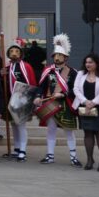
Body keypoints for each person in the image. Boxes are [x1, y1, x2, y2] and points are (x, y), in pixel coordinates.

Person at [34, 34, 81, 166]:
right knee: (51, 129)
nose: (57, 57)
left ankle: (73, 157)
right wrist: (38, 97)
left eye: (60, 55)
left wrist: (64, 94)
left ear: (66, 57)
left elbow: (76, 90)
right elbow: (41, 86)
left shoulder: (72, 72)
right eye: (55, 55)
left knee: (69, 131)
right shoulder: (48, 71)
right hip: (51, 103)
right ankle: (50, 155)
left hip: (66, 104)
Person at [74, 54, 99, 172]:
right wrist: (85, 101)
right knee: (88, 134)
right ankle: (90, 159)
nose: (88, 64)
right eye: (86, 62)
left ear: (97, 63)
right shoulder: (81, 74)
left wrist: (93, 102)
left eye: (91, 62)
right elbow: (76, 89)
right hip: (85, 108)